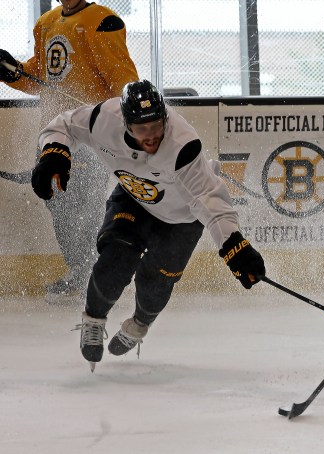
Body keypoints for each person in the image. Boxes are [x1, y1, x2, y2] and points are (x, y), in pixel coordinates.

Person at [31, 79, 266, 371]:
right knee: (116, 259)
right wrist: (54, 153)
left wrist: (234, 245)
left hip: (182, 218)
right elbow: (64, 125)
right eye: (143, 129)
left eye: (157, 126)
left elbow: (209, 199)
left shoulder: (183, 144)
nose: (152, 136)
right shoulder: (105, 119)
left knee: (157, 279)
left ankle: (140, 324)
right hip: (134, 198)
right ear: (126, 124)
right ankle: (93, 319)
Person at [0, 0, 138, 304]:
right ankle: (80, 269)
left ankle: (95, 275)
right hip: (52, 139)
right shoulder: (45, 23)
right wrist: (12, 72)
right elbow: (41, 76)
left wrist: (127, 124)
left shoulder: (102, 21)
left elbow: (123, 79)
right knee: (58, 206)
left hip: (91, 136)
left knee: (87, 209)